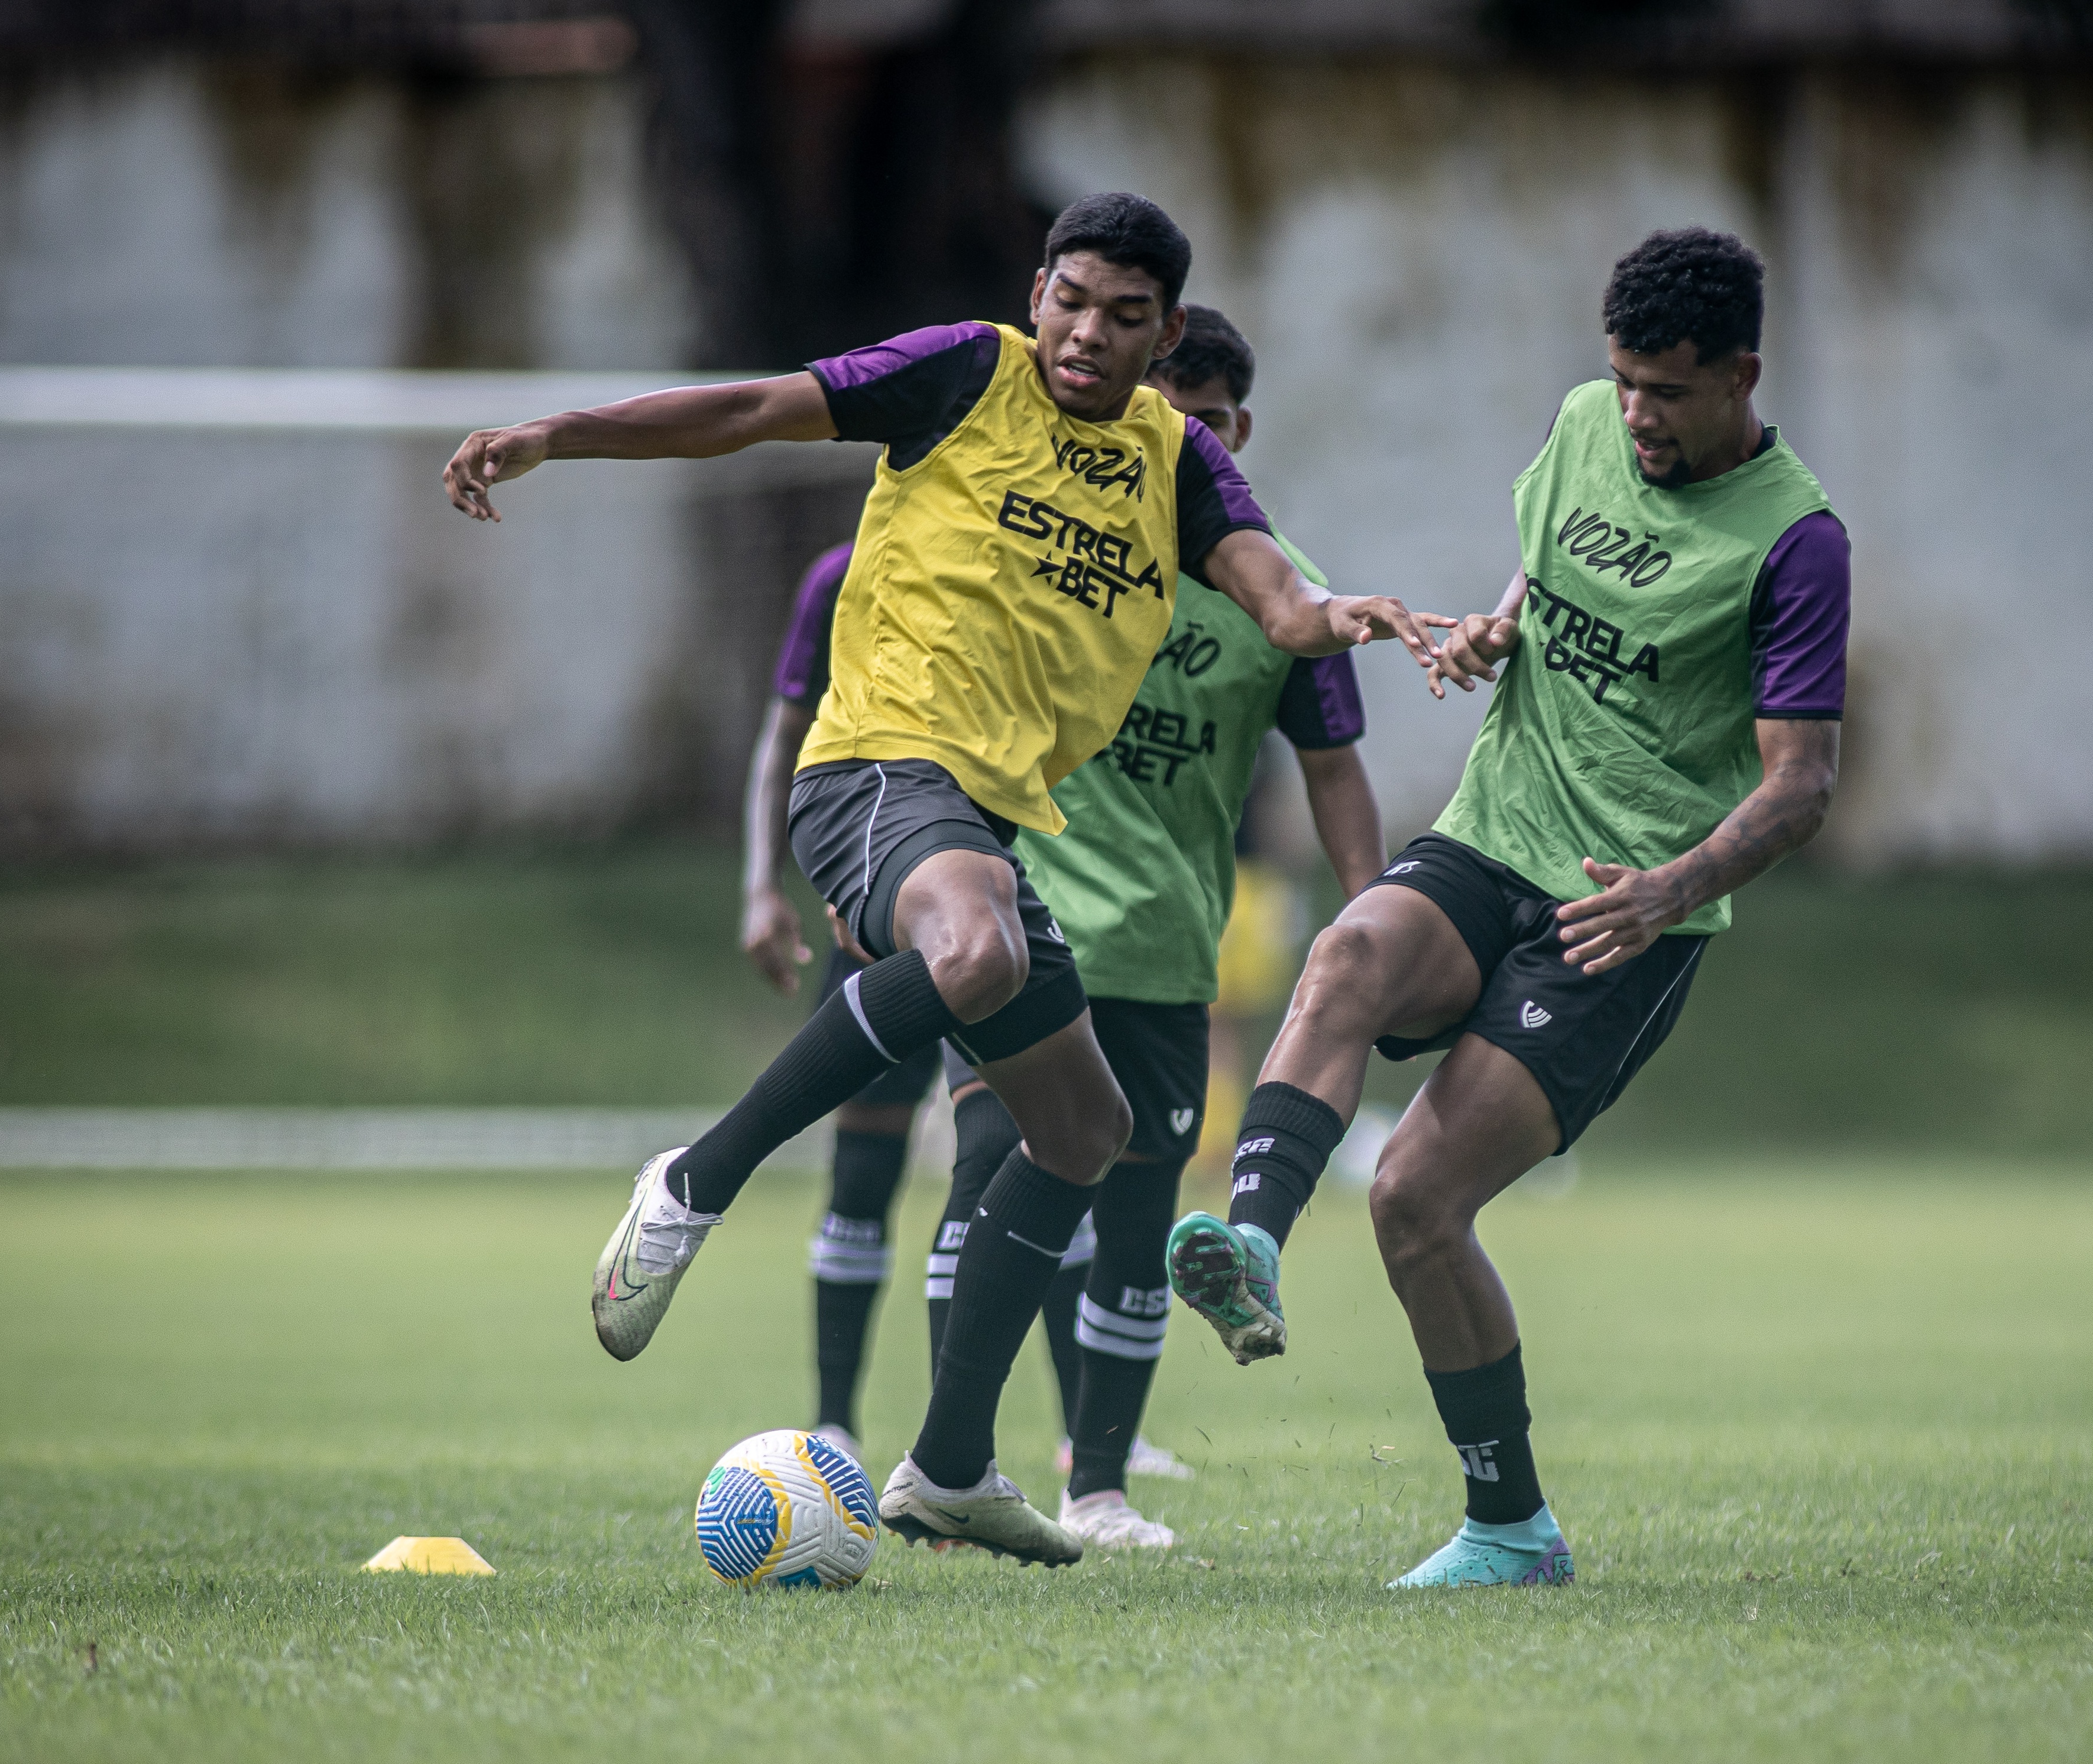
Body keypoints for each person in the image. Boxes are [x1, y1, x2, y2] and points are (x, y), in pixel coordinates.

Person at [441, 192, 1443, 1567]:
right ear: (1038, 293)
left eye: (1127, 316)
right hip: (873, 769)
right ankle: (694, 1182)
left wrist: (1354, 613)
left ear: (1164, 339)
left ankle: (953, 1468)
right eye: (1073, 300)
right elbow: (749, 410)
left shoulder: (1179, 462)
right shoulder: (964, 372)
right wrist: (562, 433)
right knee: (978, 956)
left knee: (1085, 1132)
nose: (1090, 334)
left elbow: (1278, 601)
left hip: (984, 820)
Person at [1163, 228, 1850, 1588]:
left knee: (1417, 1198)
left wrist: (1676, 888)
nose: (1637, 415)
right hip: (1497, 830)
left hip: (1618, 911)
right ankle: (1250, 1241)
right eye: (1624, 383)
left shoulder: (1798, 542)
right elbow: (1558, 566)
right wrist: (1497, 625)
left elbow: (1803, 784)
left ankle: (1509, 1525)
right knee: (1348, 950)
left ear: (1742, 375)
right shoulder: (1588, 423)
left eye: (1667, 390)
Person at [918, 308, 1384, 1551]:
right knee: (984, 1185)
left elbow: (1334, 765)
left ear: (1241, 432)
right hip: (1024, 930)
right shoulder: (1058, 545)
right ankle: (944, 1461)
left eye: (1216, 425)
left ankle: (1099, 1488)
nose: (1194, 445)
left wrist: (1372, 918)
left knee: (1135, 1222)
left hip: (1172, 950)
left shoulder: (1283, 590)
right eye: (1173, 420)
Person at [738, 540, 944, 1464]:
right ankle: (835, 1425)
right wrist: (763, 886)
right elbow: (786, 738)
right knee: (862, 1176)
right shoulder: (840, 576)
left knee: (1010, 1169)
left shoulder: (1029, 557)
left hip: (1005, 902)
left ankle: (975, 1451)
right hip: (874, 917)